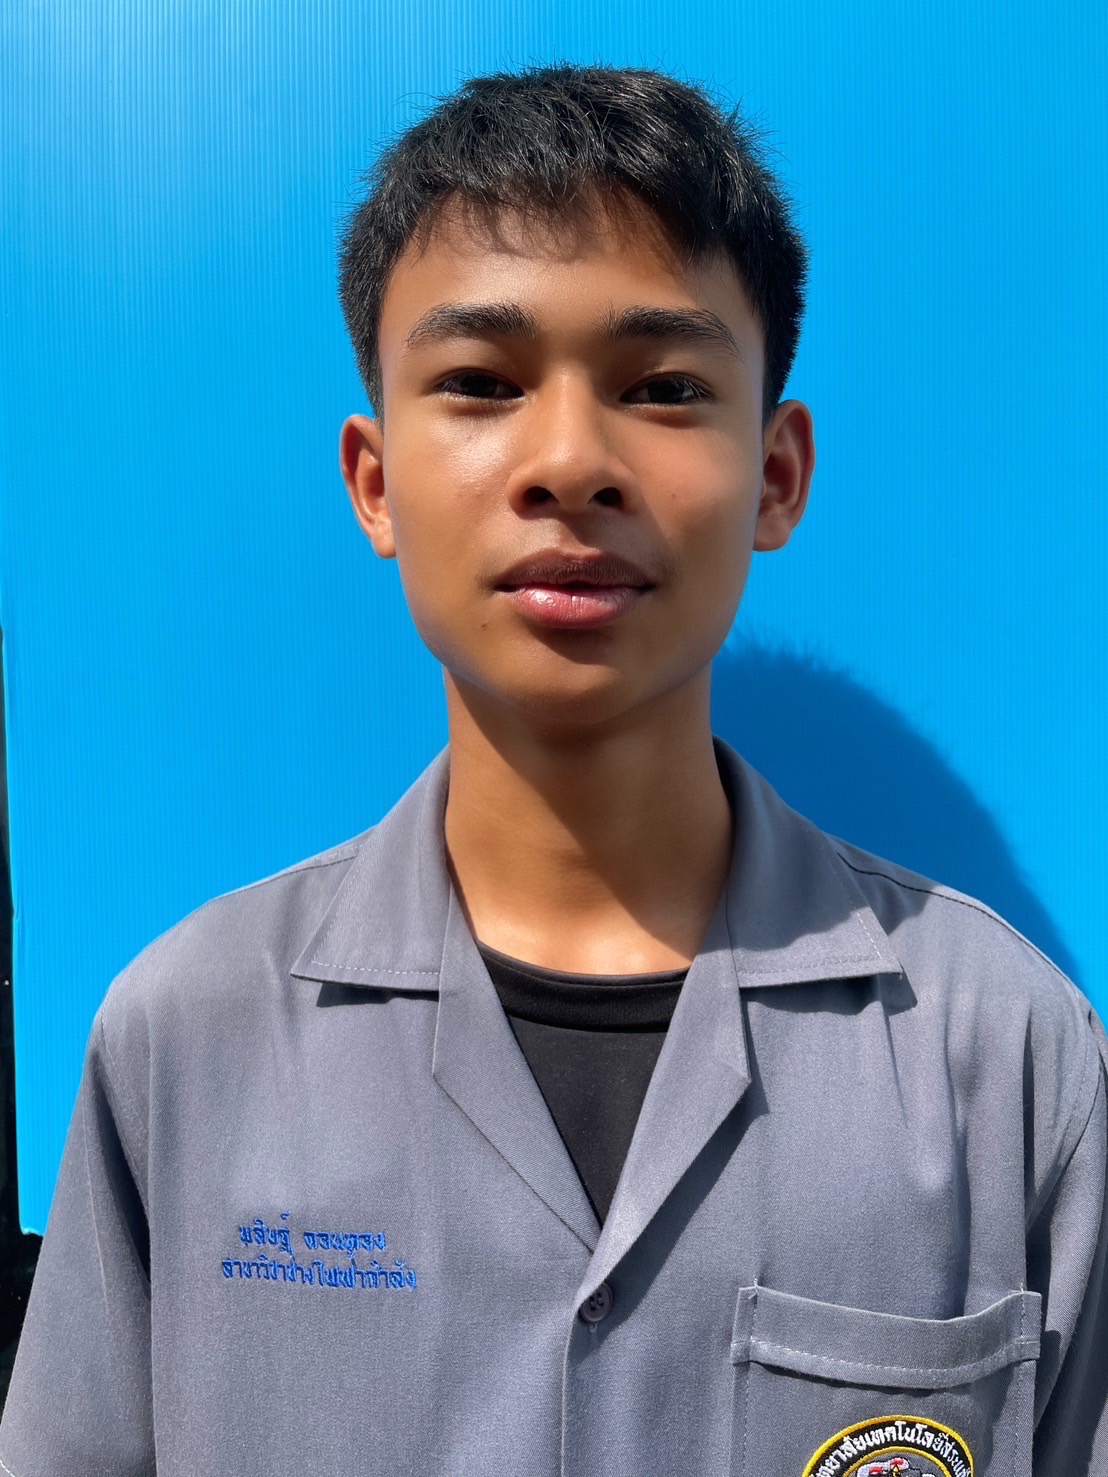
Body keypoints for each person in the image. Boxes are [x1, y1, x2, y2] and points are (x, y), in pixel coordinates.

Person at [1, 64, 1105, 1477]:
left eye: (663, 387)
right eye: (480, 382)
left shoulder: (1007, 1058)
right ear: (376, 482)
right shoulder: (185, 1042)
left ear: (776, 473)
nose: (570, 462)